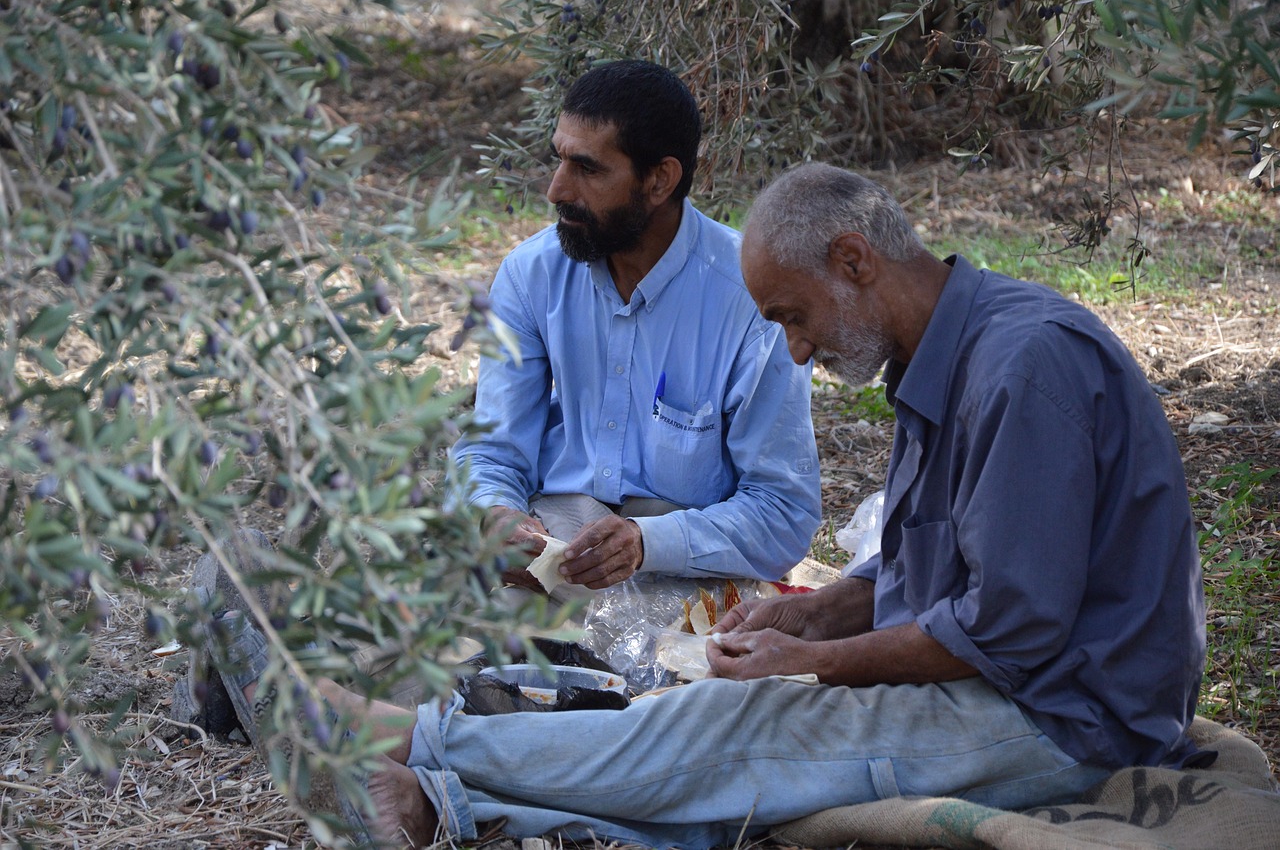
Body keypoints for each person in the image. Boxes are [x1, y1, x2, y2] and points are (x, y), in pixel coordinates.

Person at [213, 163, 1207, 849]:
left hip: (1066, 721)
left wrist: (810, 659)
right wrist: (818, 608)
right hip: (1015, 682)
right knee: (715, 720)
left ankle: (402, 742)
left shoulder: (1019, 363)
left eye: (792, 315)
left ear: (854, 262)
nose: (795, 350)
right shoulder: (943, 355)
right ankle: (430, 795)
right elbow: (940, 566)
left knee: (742, 731)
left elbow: (1010, 625)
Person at [450, 60, 821, 592]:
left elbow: (783, 512)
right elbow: (492, 450)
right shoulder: (534, 274)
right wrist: (495, 514)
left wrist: (647, 543)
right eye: (559, 160)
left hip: (690, 557)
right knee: (433, 650)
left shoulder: (750, 298)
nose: (557, 190)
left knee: (693, 672)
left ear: (660, 180)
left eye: (589, 169)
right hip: (551, 545)